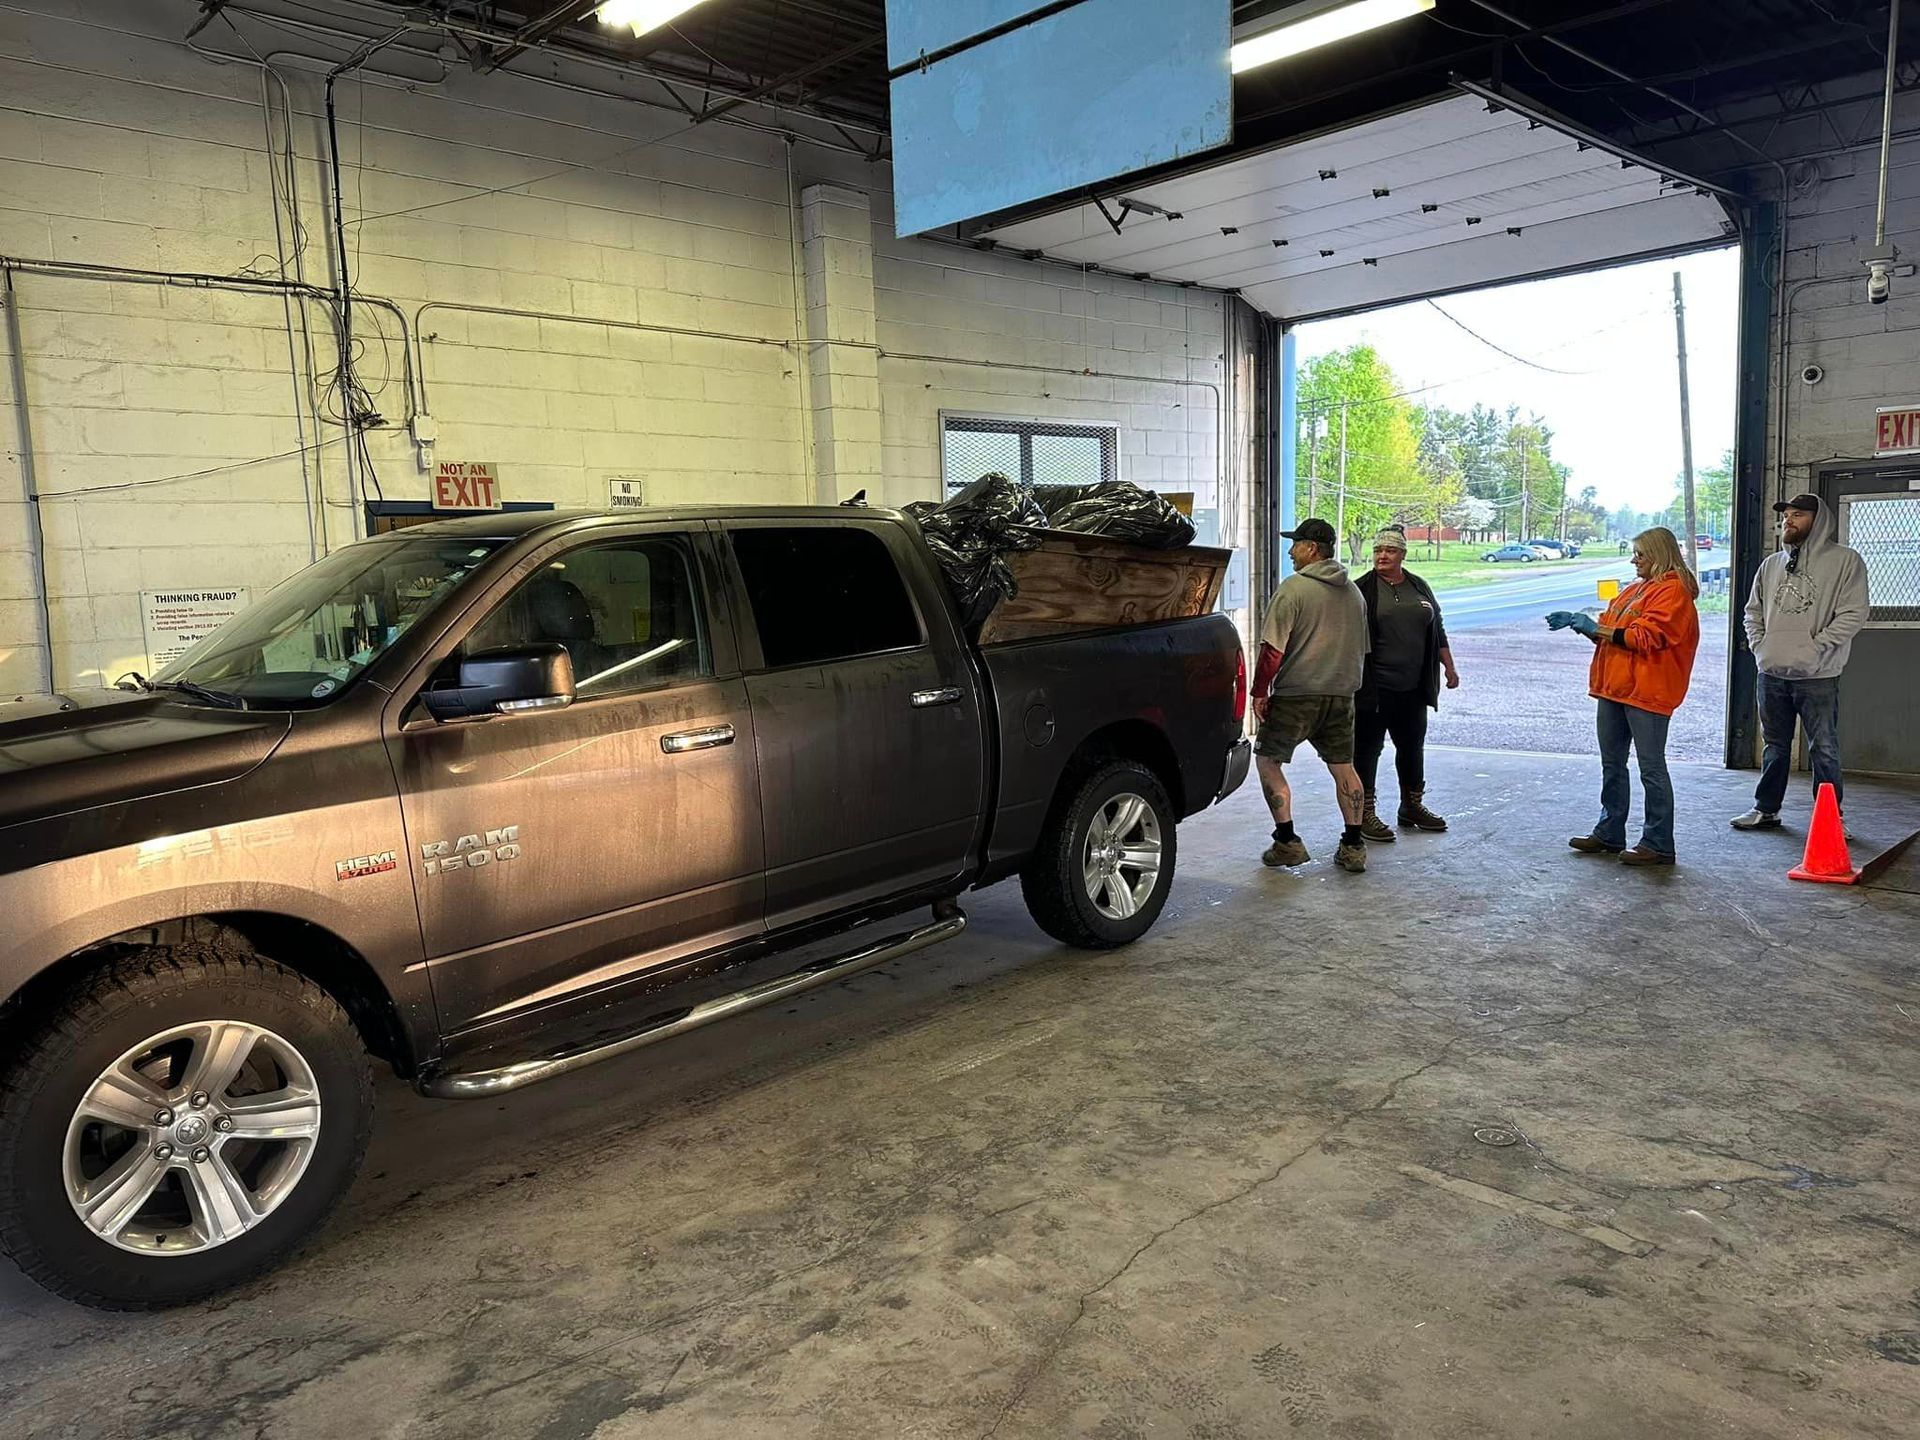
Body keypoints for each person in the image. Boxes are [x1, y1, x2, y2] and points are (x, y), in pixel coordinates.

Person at [1546, 527, 1700, 866]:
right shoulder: (1636, 589)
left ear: (1659, 555)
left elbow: (1645, 638)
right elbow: (1613, 636)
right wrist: (1582, 626)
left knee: (1651, 768)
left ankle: (1658, 843)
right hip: (1615, 688)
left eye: (1640, 554)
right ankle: (1610, 831)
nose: (1634, 560)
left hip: (1647, 691)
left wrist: (1593, 626)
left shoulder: (1673, 592)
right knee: (1612, 764)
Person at [1730, 492, 1870, 832]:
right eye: (1785, 515)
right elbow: (1753, 611)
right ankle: (1767, 809)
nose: (1788, 520)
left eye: (1798, 515)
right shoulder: (1771, 564)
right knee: (1775, 746)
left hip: (1818, 675)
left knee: (1823, 748)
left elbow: (1854, 613)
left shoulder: (1845, 561)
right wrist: (1761, 647)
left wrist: (1815, 648)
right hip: (1772, 673)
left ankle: (1830, 819)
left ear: (1818, 521)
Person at [1251, 518, 1371, 874]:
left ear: (1312, 549)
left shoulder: (1294, 588)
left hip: (1297, 694)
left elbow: (1272, 649)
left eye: (1296, 543)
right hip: (1341, 694)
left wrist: (1260, 693)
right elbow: (1362, 649)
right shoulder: (1354, 593)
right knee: (1344, 768)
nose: (1290, 550)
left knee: (1268, 760)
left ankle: (1287, 841)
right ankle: (1353, 846)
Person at [1353, 527, 1460, 842]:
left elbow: (1436, 627)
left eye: (1390, 550)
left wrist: (1449, 667)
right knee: (1367, 750)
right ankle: (1364, 814)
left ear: (1402, 554)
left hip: (1414, 686)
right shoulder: (1362, 589)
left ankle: (1411, 806)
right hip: (1374, 687)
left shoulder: (1418, 585)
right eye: (1378, 550)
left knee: (1412, 747)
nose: (1382, 555)